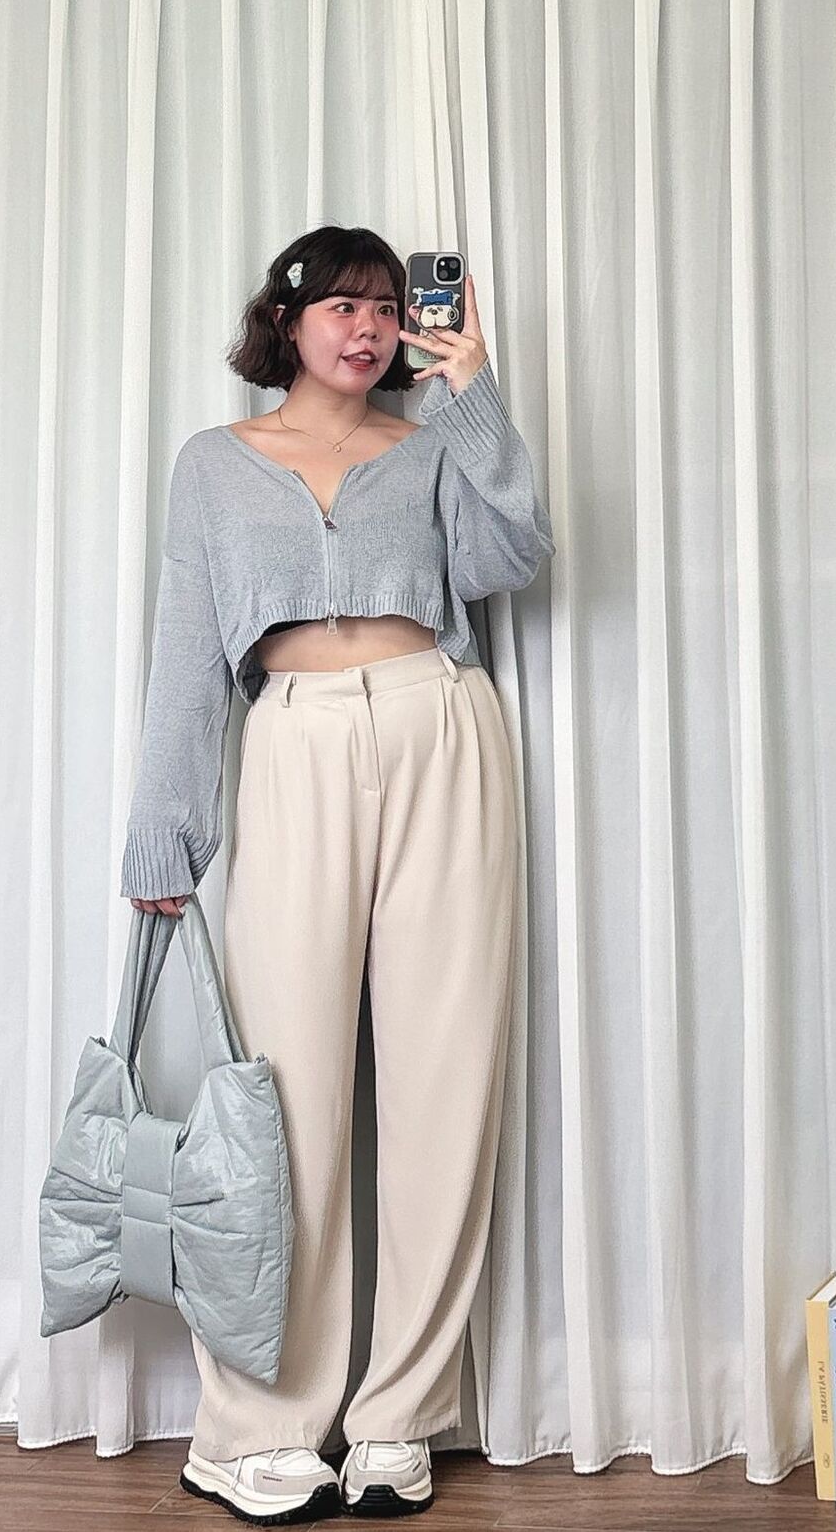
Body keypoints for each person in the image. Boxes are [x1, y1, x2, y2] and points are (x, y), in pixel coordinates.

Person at [120, 225, 555, 1522]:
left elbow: (512, 557)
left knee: (443, 1081)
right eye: (342, 307)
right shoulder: (215, 464)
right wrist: (166, 834)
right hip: (296, 743)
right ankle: (254, 1426)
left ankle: (400, 1417)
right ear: (288, 320)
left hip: (439, 727)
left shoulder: (427, 450)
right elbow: (189, 656)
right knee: (284, 1095)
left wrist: (470, 393)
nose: (366, 329)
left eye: (386, 309)